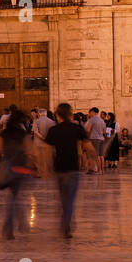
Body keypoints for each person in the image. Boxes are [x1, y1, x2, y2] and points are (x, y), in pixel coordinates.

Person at [45, 102, 88, 238]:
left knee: (64, 198)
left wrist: (45, 167)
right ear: (70, 114)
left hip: (59, 168)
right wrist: (91, 160)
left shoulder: (53, 130)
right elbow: (89, 146)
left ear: (57, 115)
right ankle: (67, 224)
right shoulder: (77, 128)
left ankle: (66, 221)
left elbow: (47, 151)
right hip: (72, 168)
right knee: (70, 198)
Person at [0, 109, 33, 240]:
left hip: (8, 167)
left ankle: (14, 225)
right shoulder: (22, 133)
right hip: (20, 168)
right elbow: (29, 150)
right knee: (15, 197)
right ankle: (16, 225)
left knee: (13, 197)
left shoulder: (5, 133)